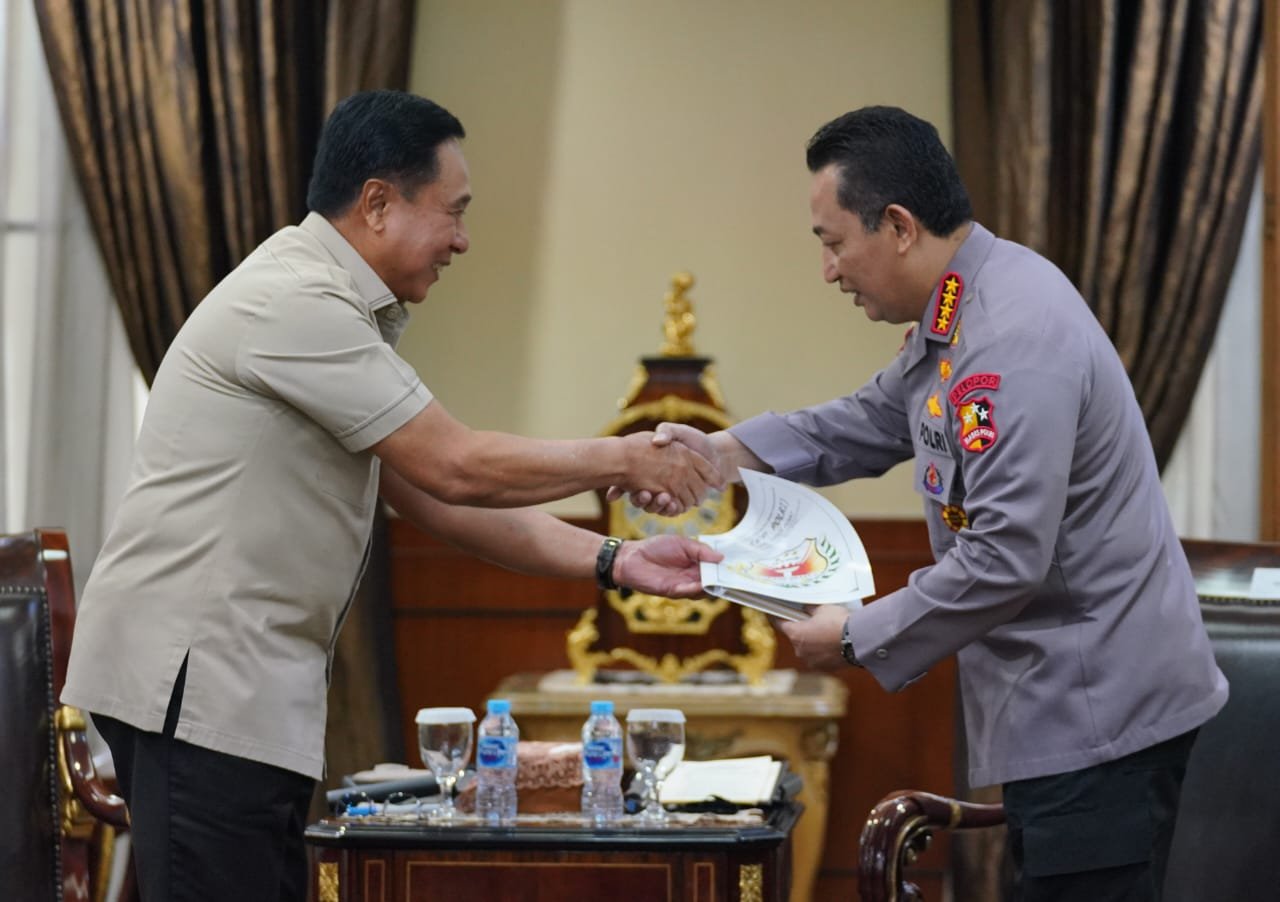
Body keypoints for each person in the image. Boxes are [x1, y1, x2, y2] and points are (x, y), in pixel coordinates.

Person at [61, 90, 721, 902]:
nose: (463, 240)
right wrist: (623, 457)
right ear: (377, 204)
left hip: (238, 695)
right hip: (197, 689)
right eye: (455, 211)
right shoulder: (296, 302)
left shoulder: (331, 306)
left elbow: (439, 497)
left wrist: (618, 559)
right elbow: (457, 465)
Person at [644, 106, 1227, 901]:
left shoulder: (1010, 339)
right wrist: (723, 455)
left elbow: (1005, 558)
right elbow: (871, 418)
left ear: (898, 226)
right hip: (1069, 705)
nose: (829, 270)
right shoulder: (965, 304)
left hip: (1099, 715)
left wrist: (854, 636)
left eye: (833, 243)